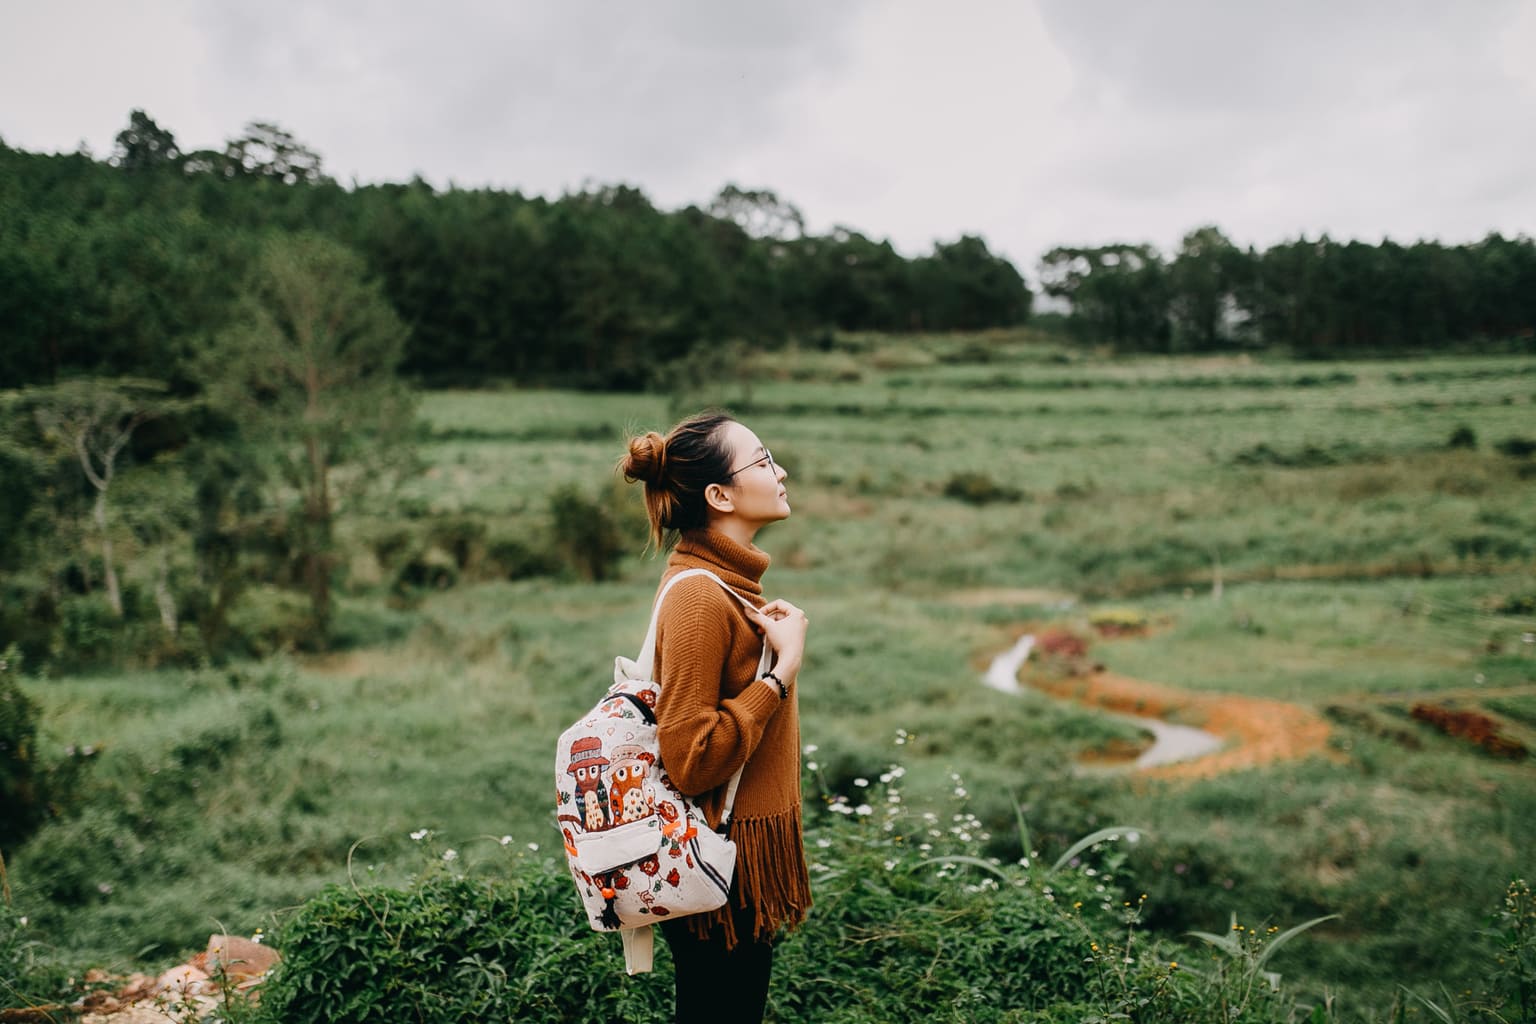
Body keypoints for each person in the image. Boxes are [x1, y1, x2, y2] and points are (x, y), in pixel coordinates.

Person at [619, 411, 812, 1024]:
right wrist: (780, 674)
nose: (779, 471)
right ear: (719, 494)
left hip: (735, 859)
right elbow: (691, 757)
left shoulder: (729, 587)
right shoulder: (701, 596)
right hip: (717, 858)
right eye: (762, 461)